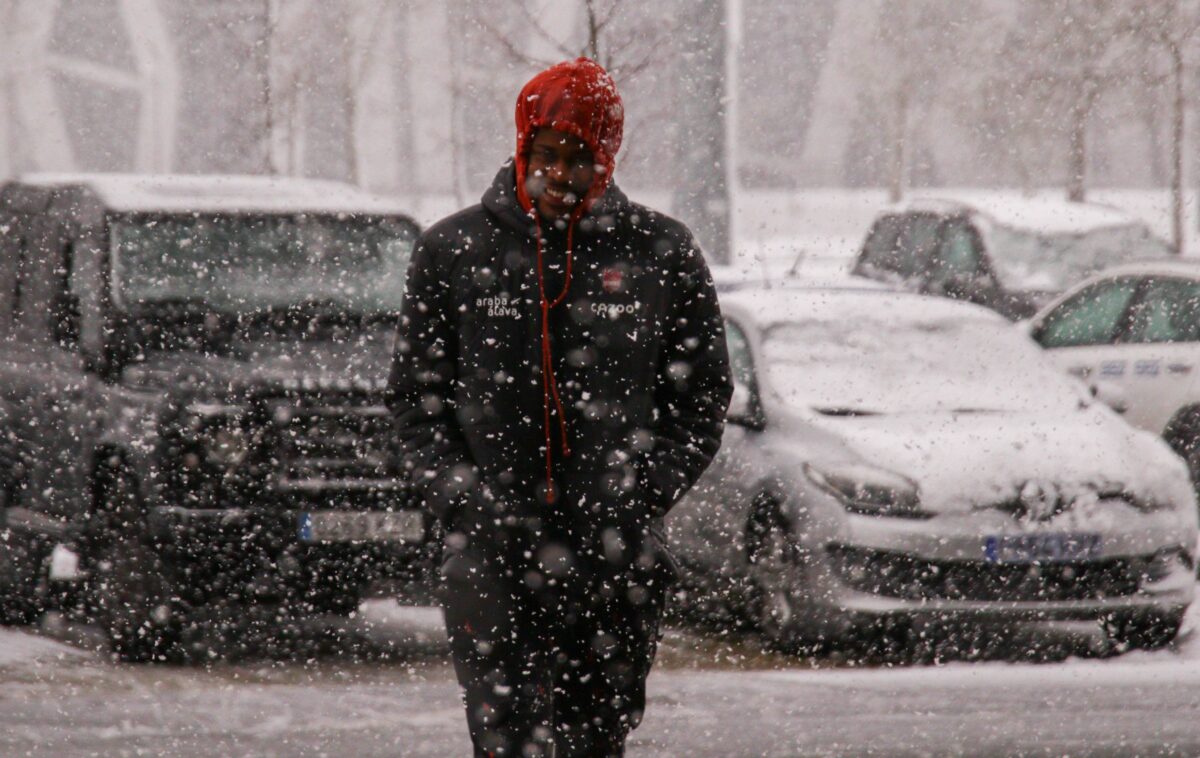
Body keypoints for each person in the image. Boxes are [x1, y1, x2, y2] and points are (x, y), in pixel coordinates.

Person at [388, 57, 732, 757]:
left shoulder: (661, 252)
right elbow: (415, 403)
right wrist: (465, 499)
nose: (559, 175)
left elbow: (702, 397)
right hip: (489, 553)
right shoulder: (453, 251)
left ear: (608, 156)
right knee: (506, 739)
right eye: (544, 154)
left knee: (595, 739)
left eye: (581, 158)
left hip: (614, 558)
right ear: (521, 146)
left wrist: (642, 494)